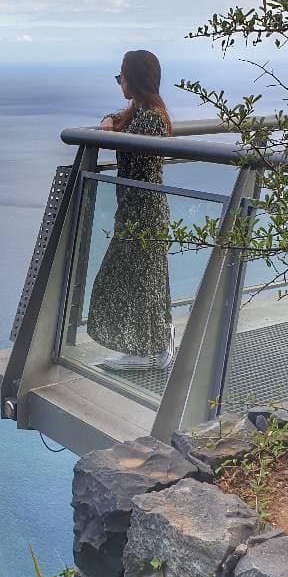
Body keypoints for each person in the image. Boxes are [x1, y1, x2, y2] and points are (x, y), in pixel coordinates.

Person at [86, 50, 175, 371]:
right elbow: (120, 120)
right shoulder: (141, 112)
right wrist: (111, 122)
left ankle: (146, 352)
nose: (119, 81)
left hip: (144, 214)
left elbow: (137, 156)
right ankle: (154, 349)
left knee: (131, 282)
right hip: (136, 211)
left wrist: (111, 135)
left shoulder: (150, 118)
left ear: (134, 78)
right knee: (143, 282)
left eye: (122, 75)